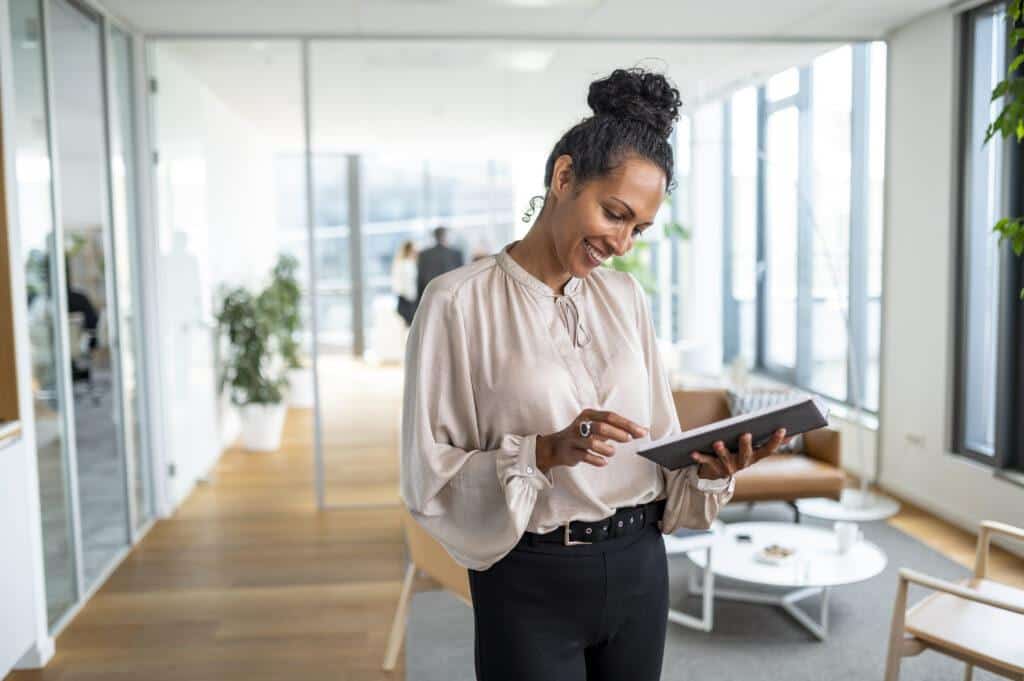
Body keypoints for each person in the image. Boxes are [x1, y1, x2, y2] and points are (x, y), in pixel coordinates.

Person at [401, 68, 792, 681]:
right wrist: (543, 451)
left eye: (639, 228)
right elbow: (429, 473)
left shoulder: (626, 296)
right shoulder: (457, 303)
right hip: (529, 578)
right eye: (615, 214)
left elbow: (658, 442)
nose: (624, 242)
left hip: (640, 564)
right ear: (563, 178)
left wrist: (708, 467)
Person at [415, 225, 463, 306]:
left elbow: (420, 278)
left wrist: (419, 301)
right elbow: (462, 277)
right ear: (446, 236)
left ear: (434, 236)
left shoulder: (424, 254)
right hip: (451, 295)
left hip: (430, 295)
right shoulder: (456, 254)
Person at [391, 240, 418, 326]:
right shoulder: (405, 264)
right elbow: (406, 283)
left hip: (407, 297)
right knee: (411, 324)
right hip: (407, 298)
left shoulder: (404, 263)